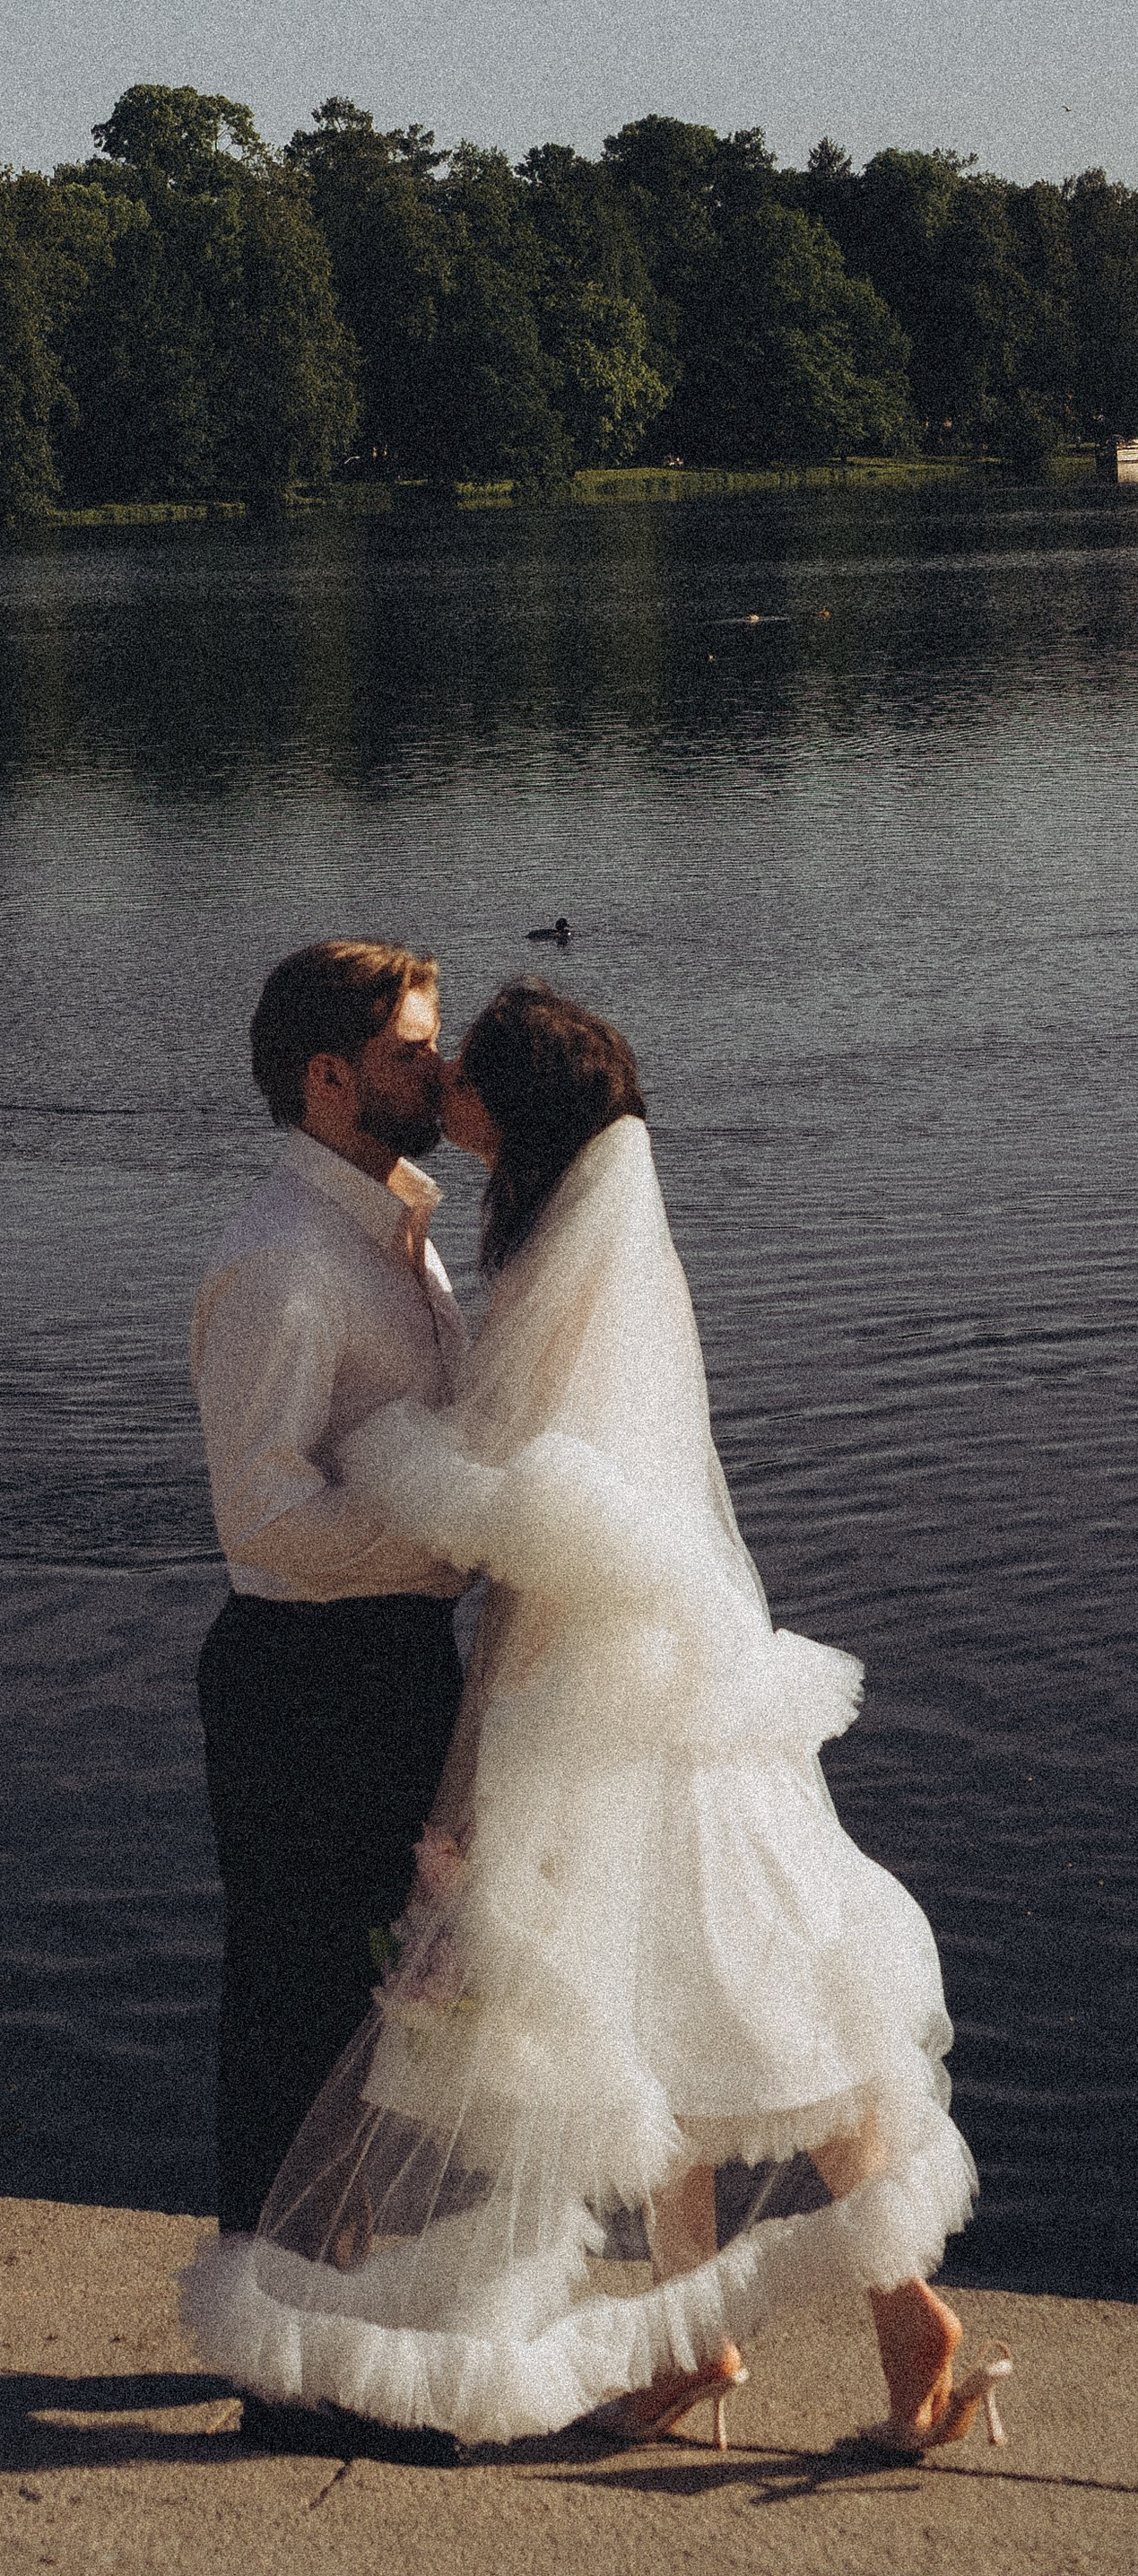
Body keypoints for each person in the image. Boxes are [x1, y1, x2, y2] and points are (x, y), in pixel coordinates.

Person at [183, 980, 1005, 2462]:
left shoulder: (559, 1257)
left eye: (460, 1071)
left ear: (514, 1113)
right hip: (598, 1668)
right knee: (655, 2003)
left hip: (607, 1686)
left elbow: (541, 1491)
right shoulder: (530, 1236)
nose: (442, 1085)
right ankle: (703, 2338)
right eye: (421, 1056)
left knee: (740, 1996)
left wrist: (399, 1463)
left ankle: (902, 2314)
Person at [190, 942, 473, 2459]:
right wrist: (456, 1525)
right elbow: (263, 1516)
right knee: (301, 2019)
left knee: (379, 2008)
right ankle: (293, 2386)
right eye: (413, 1050)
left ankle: (316, 2331)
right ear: (328, 1077)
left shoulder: (395, 1229)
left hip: (389, 1662)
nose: (441, 1070)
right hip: (306, 1676)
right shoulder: (285, 1261)